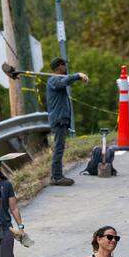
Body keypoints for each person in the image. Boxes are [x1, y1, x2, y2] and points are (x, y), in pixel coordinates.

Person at [45, 58, 89, 187]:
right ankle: (57, 177)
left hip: (61, 119)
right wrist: (78, 75)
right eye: (64, 65)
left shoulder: (57, 80)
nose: (66, 67)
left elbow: (64, 81)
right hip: (58, 120)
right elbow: (64, 82)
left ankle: (57, 175)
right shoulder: (54, 80)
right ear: (60, 66)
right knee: (58, 148)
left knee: (60, 148)